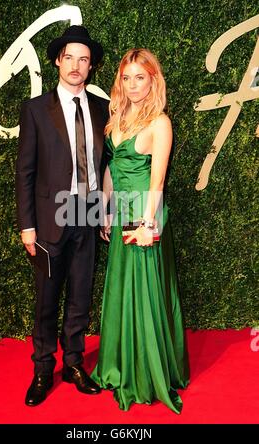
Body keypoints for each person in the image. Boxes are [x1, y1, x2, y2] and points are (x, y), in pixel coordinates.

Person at [91, 48, 190, 413]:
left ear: (153, 80)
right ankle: (120, 367)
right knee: (122, 289)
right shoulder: (119, 114)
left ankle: (147, 374)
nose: (133, 85)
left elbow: (157, 178)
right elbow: (111, 167)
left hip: (144, 215)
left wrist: (149, 225)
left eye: (140, 77)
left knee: (144, 294)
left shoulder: (160, 122)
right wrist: (104, 210)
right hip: (121, 217)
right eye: (127, 77)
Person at [15, 25, 109, 406]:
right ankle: (42, 368)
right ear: (57, 60)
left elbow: (107, 165)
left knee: (81, 295)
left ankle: (73, 363)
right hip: (49, 219)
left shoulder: (104, 109)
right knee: (47, 298)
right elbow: (25, 172)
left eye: (83, 59)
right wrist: (27, 225)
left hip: (87, 211)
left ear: (90, 67)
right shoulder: (36, 109)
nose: (75, 65)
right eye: (69, 57)